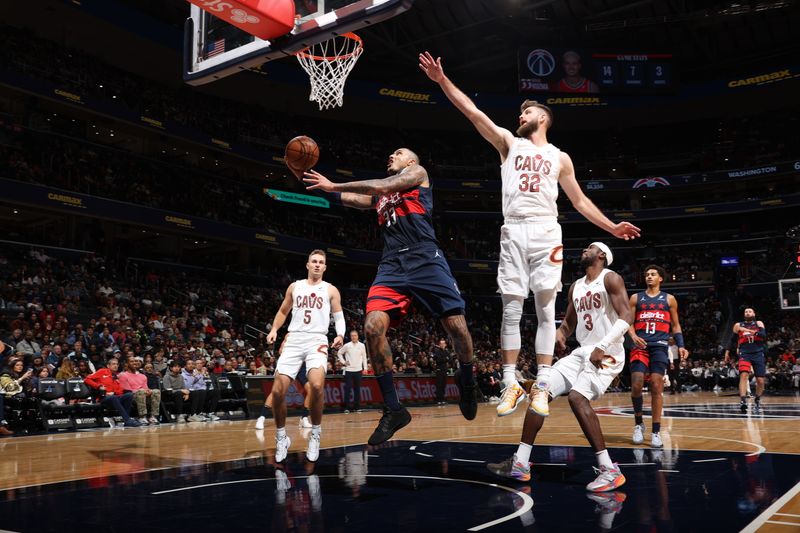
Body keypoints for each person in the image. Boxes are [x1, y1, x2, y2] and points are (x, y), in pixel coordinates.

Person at [418, 51, 640, 419]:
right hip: (514, 227)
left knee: (544, 309)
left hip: (545, 228)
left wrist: (611, 226)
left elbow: (580, 200)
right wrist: (442, 81)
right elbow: (473, 113)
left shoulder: (559, 157)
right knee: (510, 307)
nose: (519, 117)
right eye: (519, 113)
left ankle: (541, 383)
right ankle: (509, 382)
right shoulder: (509, 143)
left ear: (542, 118)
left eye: (526, 113)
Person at [304, 149, 479, 445]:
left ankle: (467, 378)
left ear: (411, 161)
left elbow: (380, 186)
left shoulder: (417, 174)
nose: (390, 155)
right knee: (372, 326)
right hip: (392, 265)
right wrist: (322, 187)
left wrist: (335, 184)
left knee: (457, 328)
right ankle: (394, 409)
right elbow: (352, 199)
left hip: (425, 256)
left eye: (397, 153)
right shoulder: (381, 197)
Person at [487, 243, 632, 492]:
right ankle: (520, 463)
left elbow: (627, 315)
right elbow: (568, 322)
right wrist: (559, 334)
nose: (584, 249)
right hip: (583, 352)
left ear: (602, 255)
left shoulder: (611, 278)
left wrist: (604, 345)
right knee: (539, 391)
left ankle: (609, 470)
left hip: (608, 352)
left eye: (590, 248)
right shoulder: (576, 286)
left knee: (577, 398)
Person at [266, 249, 345, 462]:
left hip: (317, 340)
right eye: (314, 261)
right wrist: (274, 329)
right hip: (294, 339)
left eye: (321, 262)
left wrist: (340, 334)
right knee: (277, 391)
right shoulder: (295, 286)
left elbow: (338, 315)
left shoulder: (330, 290)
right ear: (307, 264)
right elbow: (283, 311)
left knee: (317, 386)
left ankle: (315, 433)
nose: (317, 265)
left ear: (325, 267)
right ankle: (281, 437)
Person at [629, 265, 688, 448]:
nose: (649, 276)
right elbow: (628, 322)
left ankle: (656, 431)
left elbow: (676, 326)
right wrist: (633, 336)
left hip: (660, 346)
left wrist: (681, 345)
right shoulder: (636, 298)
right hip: (641, 345)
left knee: (656, 385)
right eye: (647, 274)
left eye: (653, 274)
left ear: (660, 278)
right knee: (637, 383)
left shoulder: (669, 299)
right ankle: (639, 424)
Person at [729, 308, 766, 413]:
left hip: (758, 353)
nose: (748, 313)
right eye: (746, 312)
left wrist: (749, 331)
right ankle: (743, 401)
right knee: (744, 376)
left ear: (754, 313)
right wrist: (727, 351)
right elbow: (732, 340)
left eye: (750, 311)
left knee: (760, 380)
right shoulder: (738, 325)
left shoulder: (759, 323)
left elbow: (763, 335)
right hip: (744, 353)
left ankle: (757, 400)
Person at [84, 358, 141, 427]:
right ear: (108, 366)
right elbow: (87, 379)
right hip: (103, 397)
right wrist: (98, 386)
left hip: (115, 397)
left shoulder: (116, 376)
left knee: (129, 395)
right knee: (113, 397)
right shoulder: (102, 371)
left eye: (117, 364)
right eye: (113, 364)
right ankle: (128, 420)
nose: (116, 366)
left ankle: (127, 419)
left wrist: (115, 393)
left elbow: (120, 390)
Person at [118, 358, 161, 425]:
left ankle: (153, 416)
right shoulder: (123, 375)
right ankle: (142, 417)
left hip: (143, 394)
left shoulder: (143, 376)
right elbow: (127, 390)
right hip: (131, 397)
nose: (134, 363)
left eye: (136, 361)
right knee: (141, 391)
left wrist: (148, 391)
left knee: (156, 391)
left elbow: (146, 388)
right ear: (127, 364)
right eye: (132, 361)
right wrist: (142, 391)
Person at [337, 330, 367, 412]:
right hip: (349, 370)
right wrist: (343, 362)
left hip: (358, 370)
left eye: (355, 335)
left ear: (358, 336)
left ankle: (357, 407)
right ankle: (346, 407)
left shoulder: (362, 345)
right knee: (348, 389)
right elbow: (339, 353)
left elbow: (364, 357)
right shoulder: (347, 345)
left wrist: (365, 368)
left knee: (357, 389)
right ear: (350, 337)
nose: (354, 337)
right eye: (352, 335)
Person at [432, 338, 450, 405]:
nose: (442, 345)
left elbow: (450, 358)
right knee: (439, 385)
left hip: (444, 370)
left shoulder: (446, 351)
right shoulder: (437, 351)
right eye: (441, 344)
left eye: (443, 344)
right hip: (439, 370)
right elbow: (438, 360)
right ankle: (438, 400)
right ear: (439, 345)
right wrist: (445, 359)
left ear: (445, 345)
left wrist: (444, 359)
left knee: (443, 385)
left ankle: (443, 399)